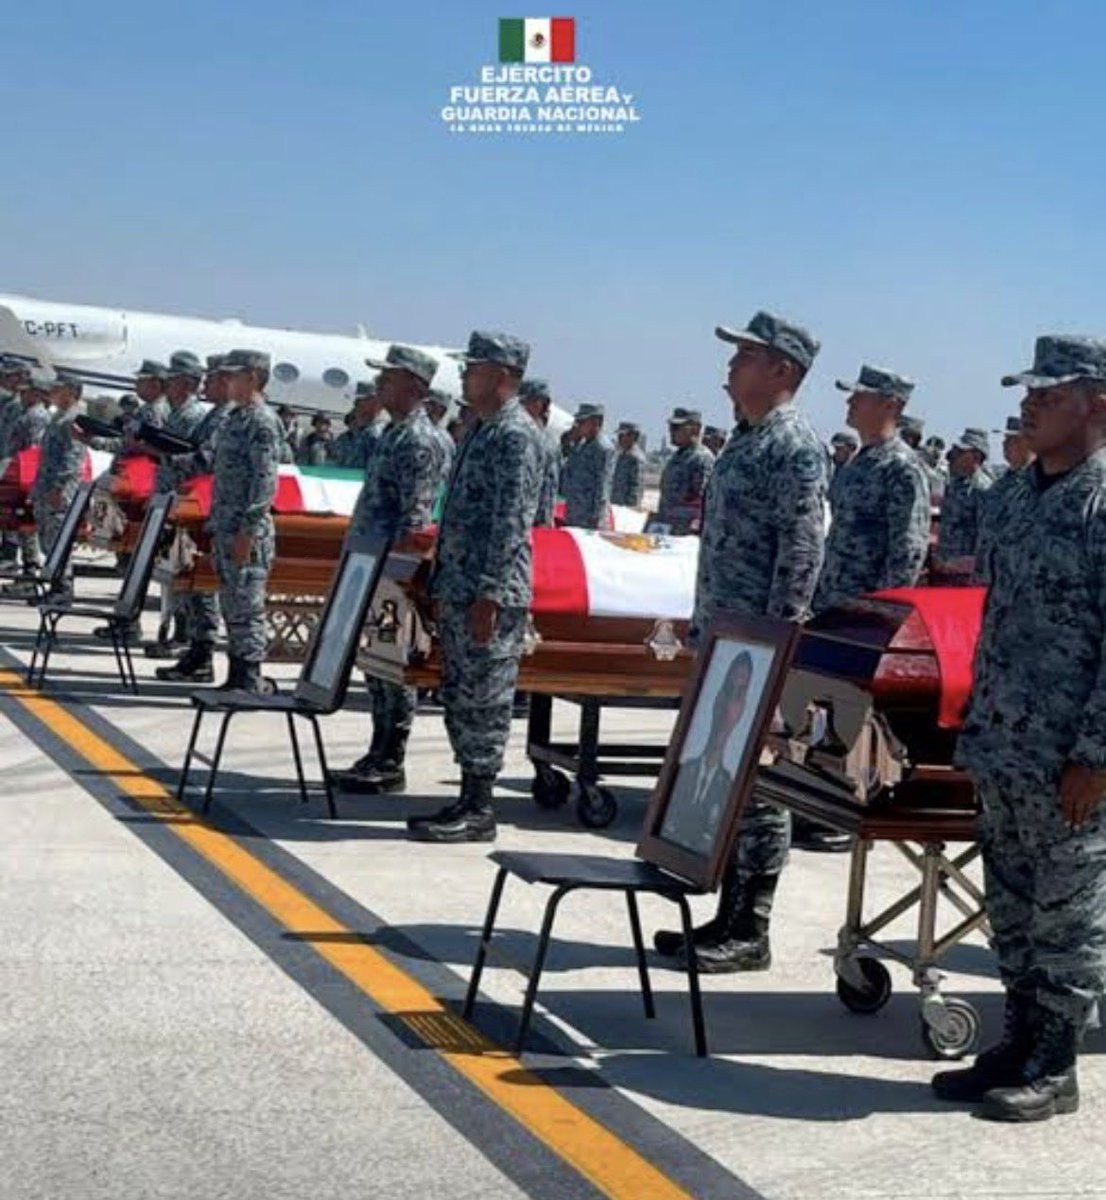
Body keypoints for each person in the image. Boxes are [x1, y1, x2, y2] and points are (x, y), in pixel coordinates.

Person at [932, 335, 1106, 1123]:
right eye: (1026, 392)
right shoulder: (1010, 495)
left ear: (1097, 403)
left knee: (1068, 912)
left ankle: (1056, 1064)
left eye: (1048, 393)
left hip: (1071, 755)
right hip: (1003, 742)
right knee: (1010, 904)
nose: (1028, 404)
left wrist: (1096, 756)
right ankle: (1015, 1041)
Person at [652, 310, 827, 973]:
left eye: (746, 356)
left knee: (760, 784)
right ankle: (726, 914)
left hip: (757, 643)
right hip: (728, 637)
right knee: (730, 780)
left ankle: (751, 925)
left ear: (782, 369)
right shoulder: (748, 440)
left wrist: (777, 643)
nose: (731, 366)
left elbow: (801, 550)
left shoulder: (793, 444)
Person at [406, 331, 541, 843]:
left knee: (485, 698)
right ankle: (467, 796)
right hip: (461, 586)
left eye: (474, 368)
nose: (464, 375)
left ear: (502, 376)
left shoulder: (514, 435)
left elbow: (511, 521)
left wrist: (490, 594)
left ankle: (481, 807)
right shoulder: (482, 430)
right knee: (462, 695)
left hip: (490, 593)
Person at [331, 345, 445, 793]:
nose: (380, 385)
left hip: (392, 570)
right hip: (370, 563)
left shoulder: (420, 438)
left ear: (414, 386)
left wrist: (396, 579)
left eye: (389, 378)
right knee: (376, 663)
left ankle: (391, 759)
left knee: (393, 665)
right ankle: (377, 751)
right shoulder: (393, 433)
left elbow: (416, 519)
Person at [154, 355, 236, 681]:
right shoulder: (217, 414)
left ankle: (202, 655)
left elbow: (206, 460)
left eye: (213, 379)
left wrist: (160, 453)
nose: (206, 385)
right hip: (190, 506)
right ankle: (195, 652)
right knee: (189, 582)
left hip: (203, 508)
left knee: (201, 586)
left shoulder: (226, 417)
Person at [208, 350, 281, 692]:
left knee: (247, 604)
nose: (226, 381)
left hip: (245, 531)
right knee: (232, 602)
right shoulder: (235, 418)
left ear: (253, 377)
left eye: (233, 375)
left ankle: (250, 675)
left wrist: (247, 531)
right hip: (225, 525)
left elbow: (265, 481)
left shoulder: (262, 421)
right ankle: (237, 673)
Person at [141, 350, 210, 658]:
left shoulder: (194, 416)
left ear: (189, 384)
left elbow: (197, 462)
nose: (166, 387)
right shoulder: (175, 413)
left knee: (183, 569)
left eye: (173, 381)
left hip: (184, 502)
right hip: (170, 498)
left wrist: (161, 451)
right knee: (171, 569)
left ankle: (184, 632)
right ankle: (177, 630)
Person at [661, 650, 754, 855]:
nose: (727, 707)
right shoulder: (684, 771)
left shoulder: (730, 784)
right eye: (727, 691)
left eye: (739, 695)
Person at [29, 371, 87, 603]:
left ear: (71, 392)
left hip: (59, 490)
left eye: (58, 389)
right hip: (47, 487)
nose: (52, 393)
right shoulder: (60, 417)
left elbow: (72, 458)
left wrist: (60, 487)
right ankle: (55, 585)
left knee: (58, 539)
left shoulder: (74, 419)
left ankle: (62, 589)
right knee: (48, 539)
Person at [933, 427, 992, 578]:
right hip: (942, 569)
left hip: (964, 575)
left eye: (960, 452)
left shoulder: (983, 489)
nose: (953, 456)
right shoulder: (954, 484)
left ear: (976, 457)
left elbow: (986, 538)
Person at [0, 358, 37, 577]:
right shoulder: (11, 402)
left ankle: (12, 555)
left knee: (15, 512)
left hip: (14, 464)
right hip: (8, 460)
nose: (6, 379)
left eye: (11, 375)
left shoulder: (19, 406)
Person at [658, 407, 714, 534]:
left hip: (685, 532)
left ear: (696, 429)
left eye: (676, 427)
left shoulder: (702, 458)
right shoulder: (677, 456)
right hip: (666, 527)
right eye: (671, 427)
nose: (671, 431)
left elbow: (702, 503)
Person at [560, 403, 614, 529]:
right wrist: (572, 443)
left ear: (597, 422)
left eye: (582, 421)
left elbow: (602, 487)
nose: (578, 425)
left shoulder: (602, 448)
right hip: (575, 515)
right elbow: (569, 472)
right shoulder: (582, 445)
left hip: (590, 520)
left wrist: (595, 520)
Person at [518, 378, 560, 527]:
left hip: (532, 520)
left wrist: (543, 521)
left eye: (523, 402)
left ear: (538, 404)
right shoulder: (529, 433)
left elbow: (548, 484)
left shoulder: (543, 440)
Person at [610, 421, 646, 508]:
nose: (619, 438)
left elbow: (636, 486)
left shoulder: (636, 458)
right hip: (616, 503)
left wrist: (631, 507)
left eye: (622, 435)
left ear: (633, 436)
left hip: (626, 507)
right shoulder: (622, 455)